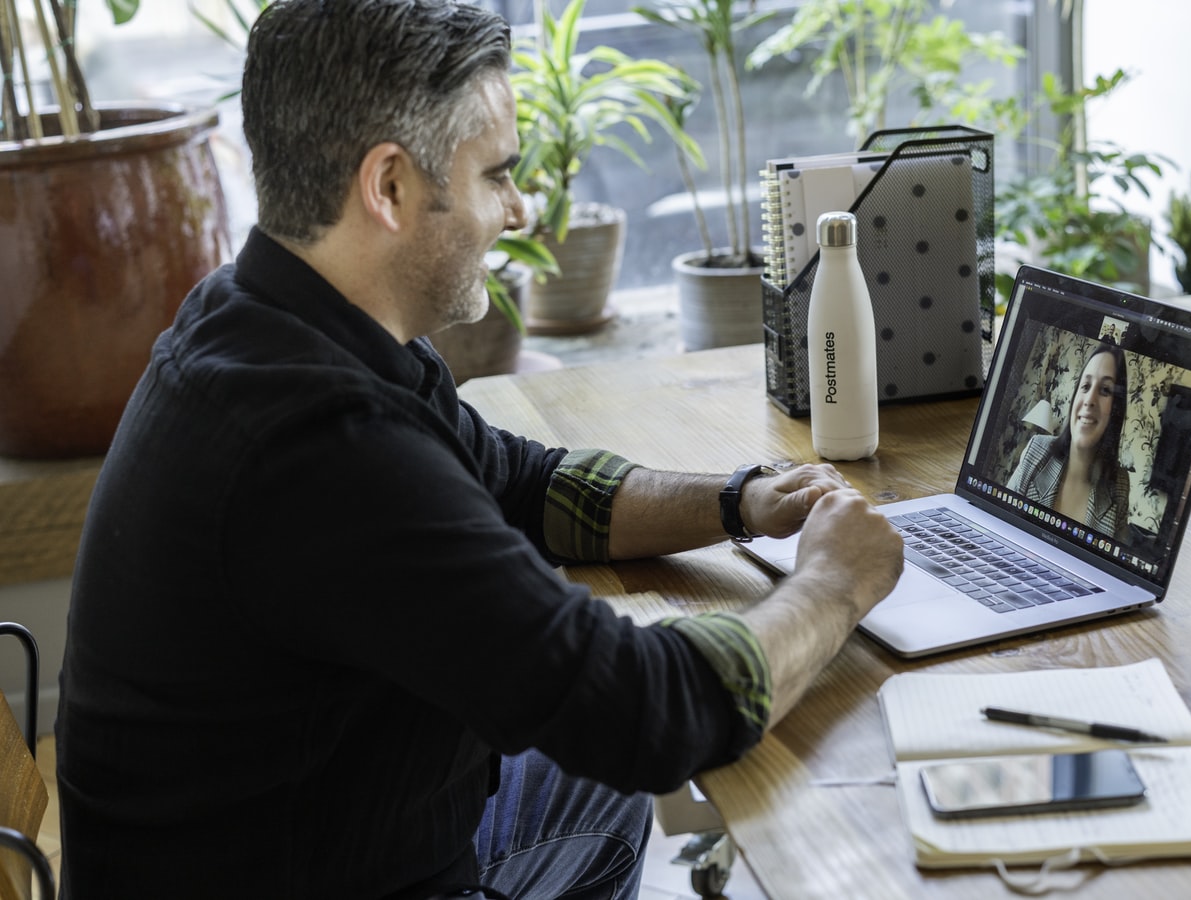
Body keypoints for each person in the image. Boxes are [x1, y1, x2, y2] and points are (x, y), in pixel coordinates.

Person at [53, 1, 905, 897]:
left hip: (312, 828)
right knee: (644, 751)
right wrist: (833, 585)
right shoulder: (322, 447)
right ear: (388, 187)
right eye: (497, 174)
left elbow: (524, 483)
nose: (519, 207)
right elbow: (648, 714)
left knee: (594, 772)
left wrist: (739, 499)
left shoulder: (271, 317)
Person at [1008, 341, 1131, 541]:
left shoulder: (1119, 485)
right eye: (1085, 386)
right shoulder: (1036, 450)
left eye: (1105, 390)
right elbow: (1000, 521)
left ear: (1116, 410)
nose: (1090, 400)